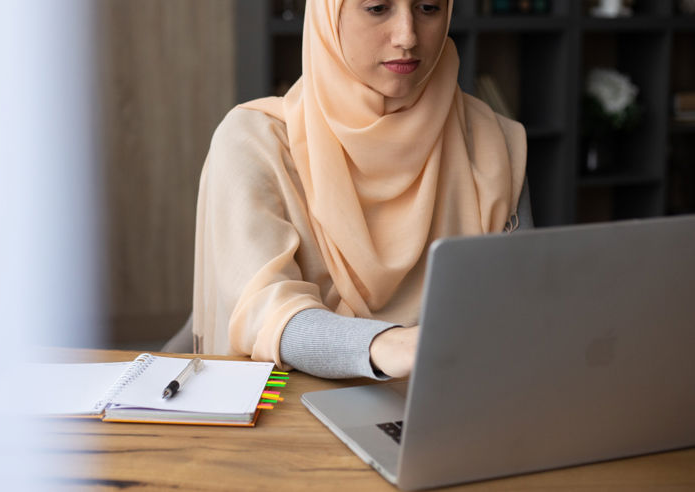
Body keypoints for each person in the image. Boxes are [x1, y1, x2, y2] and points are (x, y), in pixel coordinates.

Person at [192, 0, 531, 380]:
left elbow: (520, 309)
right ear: (327, 17)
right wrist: (383, 344)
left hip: (453, 404)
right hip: (296, 410)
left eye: (429, 8)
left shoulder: (493, 140)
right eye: (377, 8)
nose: (407, 36)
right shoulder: (255, 140)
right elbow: (263, 311)